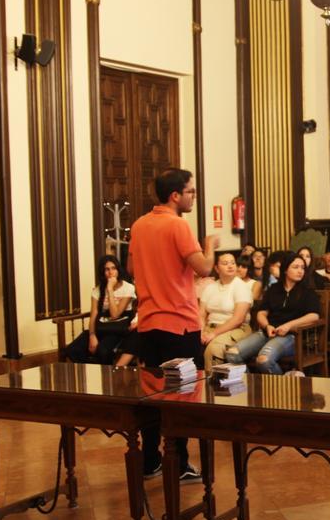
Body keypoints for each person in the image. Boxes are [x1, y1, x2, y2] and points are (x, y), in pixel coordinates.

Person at [128, 167, 218, 483]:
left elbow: (130, 266)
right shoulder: (178, 225)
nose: (194, 196)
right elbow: (205, 268)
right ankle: (178, 463)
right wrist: (210, 244)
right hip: (179, 324)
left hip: (149, 325)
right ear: (175, 195)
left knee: (154, 395)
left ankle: (150, 459)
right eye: (191, 191)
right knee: (182, 396)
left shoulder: (139, 225)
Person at [229, 252, 321, 375]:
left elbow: (314, 316)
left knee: (263, 360)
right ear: (285, 270)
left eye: (302, 268)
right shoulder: (274, 289)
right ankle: (252, 384)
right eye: (295, 267)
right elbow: (261, 313)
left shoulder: (308, 291)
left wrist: (288, 325)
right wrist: (267, 326)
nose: (300, 271)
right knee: (232, 354)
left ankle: (281, 387)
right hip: (268, 332)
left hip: (292, 336)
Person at [65, 254, 136, 364]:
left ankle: (105, 376)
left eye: (113, 268)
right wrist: (92, 335)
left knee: (103, 351)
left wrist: (110, 289)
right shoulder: (97, 291)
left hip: (117, 329)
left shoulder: (128, 288)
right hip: (101, 327)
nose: (110, 272)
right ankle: (89, 371)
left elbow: (115, 314)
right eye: (107, 269)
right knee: (72, 350)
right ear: (103, 272)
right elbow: (94, 314)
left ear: (118, 270)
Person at [198, 251, 254, 370]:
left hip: (237, 329)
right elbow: (201, 314)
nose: (230, 266)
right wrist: (201, 331)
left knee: (213, 349)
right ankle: (196, 387)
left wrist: (213, 333)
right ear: (217, 269)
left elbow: (238, 319)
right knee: (188, 344)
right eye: (225, 263)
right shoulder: (210, 287)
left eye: (233, 263)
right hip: (210, 327)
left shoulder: (241, 287)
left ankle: (214, 386)